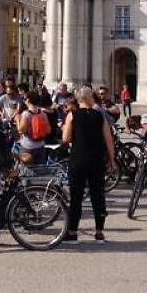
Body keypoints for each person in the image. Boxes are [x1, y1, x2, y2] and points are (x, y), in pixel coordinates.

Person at [62, 86, 115, 244]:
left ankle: (72, 233)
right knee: (98, 196)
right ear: (88, 98)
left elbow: (65, 139)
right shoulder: (100, 116)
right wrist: (111, 159)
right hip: (96, 159)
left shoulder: (72, 115)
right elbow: (109, 140)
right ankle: (99, 233)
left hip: (78, 159)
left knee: (76, 197)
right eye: (92, 96)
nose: (94, 99)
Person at [17, 91, 50, 164]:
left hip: (28, 146)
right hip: (40, 145)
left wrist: (17, 121)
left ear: (28, 100)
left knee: (25, 170)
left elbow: (21, 131)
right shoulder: (43, 113)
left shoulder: (26, 114)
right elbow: (48, 130)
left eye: (25, 99)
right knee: (39, 170)